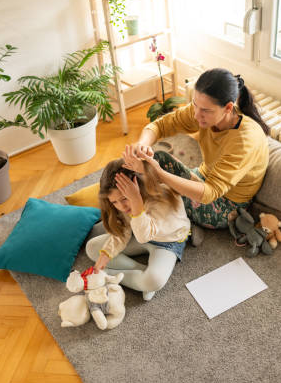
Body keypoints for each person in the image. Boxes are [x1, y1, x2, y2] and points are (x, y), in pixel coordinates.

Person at [130, 68, 270, 237]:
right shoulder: (205, 110)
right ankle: (136, 206)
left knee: (154, 180)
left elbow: (210, 193)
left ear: (228, 108)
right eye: (195, 105)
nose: (197, 115)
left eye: (205, 110)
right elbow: (160, 125)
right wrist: (142, 144)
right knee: (156, 161)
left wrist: (160, 175)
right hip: (203, 177)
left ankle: (177, 229)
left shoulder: (245, 140)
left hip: (225, 206)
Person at [85, 158, 190, 301]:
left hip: (167, 242)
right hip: (139, 233)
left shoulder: (162, 198)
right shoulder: (124, 205)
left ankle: (111, 276)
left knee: (154, 280)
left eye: (124, 199)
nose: (121, 206)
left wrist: (136, 203)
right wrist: (105, 255)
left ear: (139, 187)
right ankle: (141, 272)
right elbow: (123, 232)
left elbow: (143, 236)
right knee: (92, 248)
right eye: (114, 202)